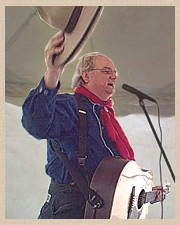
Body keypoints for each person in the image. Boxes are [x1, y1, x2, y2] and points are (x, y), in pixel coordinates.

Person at [21, 31, 165, 219]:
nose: (114, 76)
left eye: (114, 72)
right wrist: (53, 71)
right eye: (107, 71)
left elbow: (115, 171)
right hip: (71, 208)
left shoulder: (105, 114)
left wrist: (144, 193)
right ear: (86, 75)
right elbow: (36, 123)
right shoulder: (71, 105)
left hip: (105, 208)